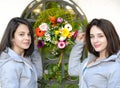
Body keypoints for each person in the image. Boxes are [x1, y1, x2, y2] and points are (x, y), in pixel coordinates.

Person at [68, 18, 120, 88]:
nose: (95, 40)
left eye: (100, 36)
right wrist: (79, 44)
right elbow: (72, 70)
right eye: (92, 36)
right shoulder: (90, 60)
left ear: (110, 37)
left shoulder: (115, 66)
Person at [0, 17, 43, 88]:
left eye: (29, 34)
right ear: (12, 37)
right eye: (21, 34)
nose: (27, 38)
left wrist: (34, 47)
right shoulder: (10, 65)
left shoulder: (25, 58)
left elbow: (38, 74)